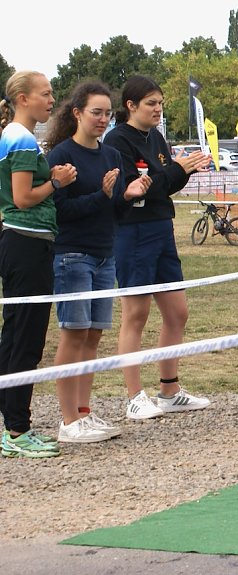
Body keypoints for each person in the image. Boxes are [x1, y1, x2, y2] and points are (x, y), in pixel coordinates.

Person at [44, 81, 150, 443]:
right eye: (96, 112)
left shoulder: (111, 156)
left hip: (106, 254)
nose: (104, 119)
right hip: (72, 254)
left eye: (108, 113)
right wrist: (102, 196)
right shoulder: (61, 155)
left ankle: (84, 413)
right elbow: (60, 211)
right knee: (73, 334)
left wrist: (127, 195)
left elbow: (113, 207)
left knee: (93, 335)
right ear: (77, 113)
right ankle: (68, 420)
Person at [103, 75, 212, 419]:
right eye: (151, 103)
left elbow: (163, 185)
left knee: (178, 312)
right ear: (130, 106)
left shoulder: (157, 137)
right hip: (133, 233)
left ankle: (170, 389)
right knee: (136, 313)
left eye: (160, 103)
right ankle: (135, 395)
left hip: (161, 227)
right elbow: (141, 186)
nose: (158, 109)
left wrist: (183, 171)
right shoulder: (118, 140)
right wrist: (175, 170)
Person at [0, 71, 76, 458]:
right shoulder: (21, 138)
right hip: (26, 242)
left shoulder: (15, 136)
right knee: (26, 337)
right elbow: (23, 197)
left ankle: (11, 424)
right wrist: (57, 182)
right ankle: (16, 429)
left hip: (22, 242)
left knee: (15, 334)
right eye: (45, 94)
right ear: (23, 98)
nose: (51, 100)